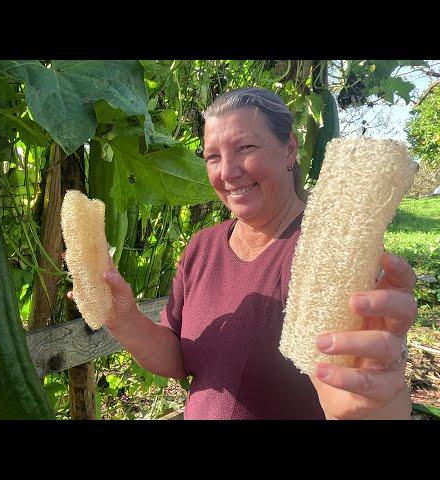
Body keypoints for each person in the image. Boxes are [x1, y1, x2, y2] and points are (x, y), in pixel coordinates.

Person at [99, 87, 417, 420]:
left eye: (245, 148)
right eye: (213, 157)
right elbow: (177, 358)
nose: (227, 171)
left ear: (290, 149)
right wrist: (124, 319)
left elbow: (359, 388)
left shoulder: (333, 256)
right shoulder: (201, 247)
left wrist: (382, 408)